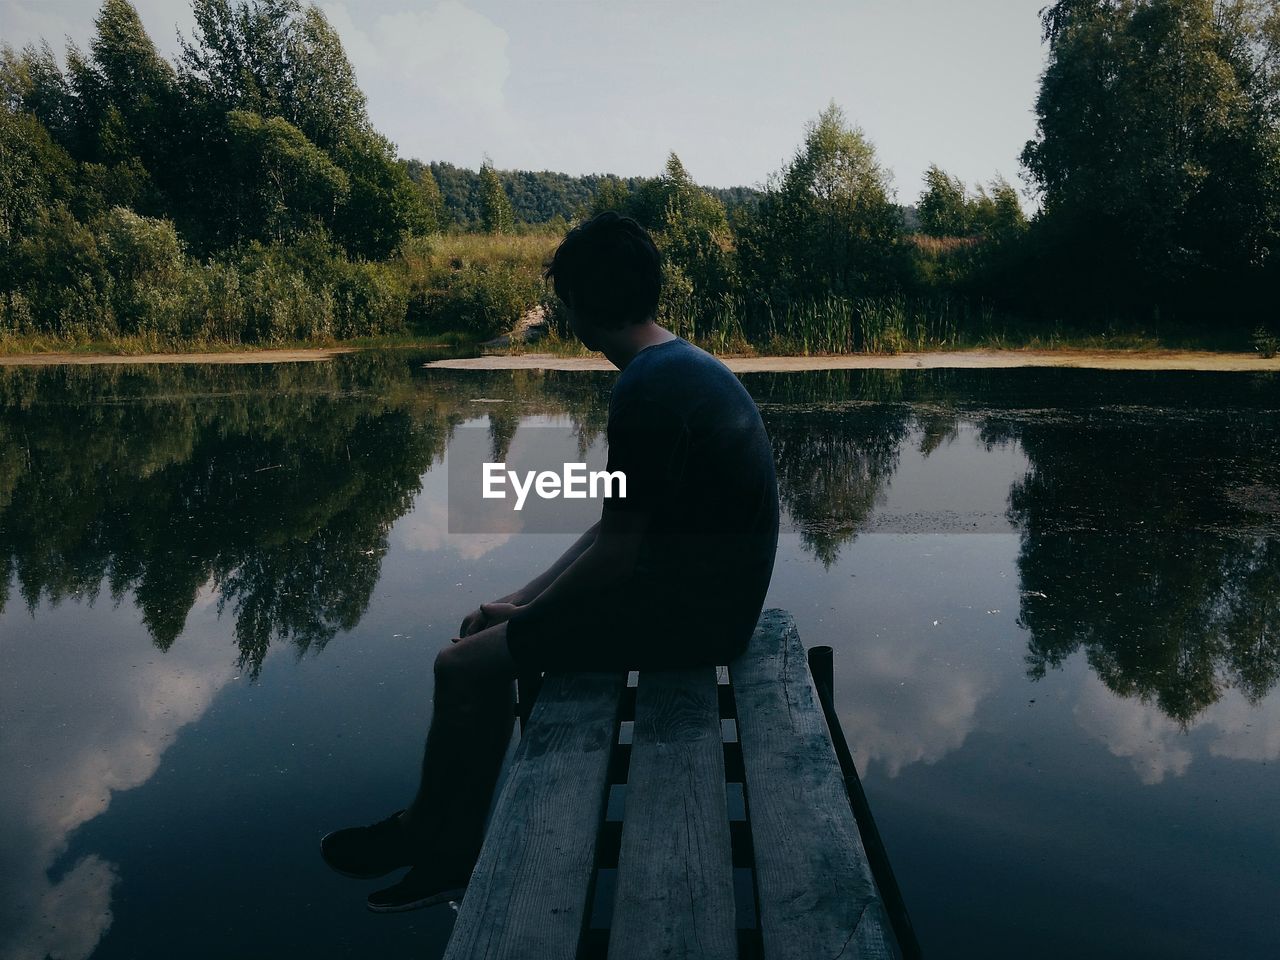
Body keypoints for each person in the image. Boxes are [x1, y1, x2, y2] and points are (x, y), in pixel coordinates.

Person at [320, 212, 779, 912]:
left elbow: (618, 559)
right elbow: (615, 530)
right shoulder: (677, 363)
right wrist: (520, 605)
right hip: (703, 604)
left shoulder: (646, 388)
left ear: (576, 305)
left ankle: (437, 846)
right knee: (486, 637)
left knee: (458, 666)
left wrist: (528, 620)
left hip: (691, 622)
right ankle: (440, 835)